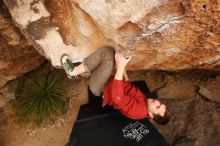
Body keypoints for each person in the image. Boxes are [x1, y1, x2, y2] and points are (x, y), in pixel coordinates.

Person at [61, 46, 169, 124]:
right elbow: (128, 91)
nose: (157, 102)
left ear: (151, 114)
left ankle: (73, 72)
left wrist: (121, 66)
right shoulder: (145, 103)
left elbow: (118, 98)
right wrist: (124, 72)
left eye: (157, 107)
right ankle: (88, 69)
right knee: (114, 55)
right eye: (160, 103)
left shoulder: (139, 111)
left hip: (100, 86)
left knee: (107, 53)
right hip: (108, 81)